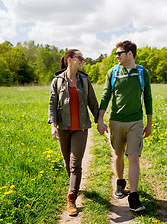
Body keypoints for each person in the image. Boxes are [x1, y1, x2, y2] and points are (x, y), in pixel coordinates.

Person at [97, 40, 153, 212]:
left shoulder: (143, 72)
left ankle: (134, 197)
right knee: (119, 154)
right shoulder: (113, 72)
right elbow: (106, 95)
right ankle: (120, 182)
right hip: (116, 120)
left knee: (133, 156)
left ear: (130, 54)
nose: (117, 56)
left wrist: (149, 123)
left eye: (119, 53)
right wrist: (100, 119)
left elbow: (148, 98)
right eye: (116, 54)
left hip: (136, 121)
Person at [48, 49, 99, 216]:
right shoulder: (56, 81)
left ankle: (71, 198)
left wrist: (101, 121)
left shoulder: (84, 80)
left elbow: (93, 103)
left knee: (75, 163)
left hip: (80, 128)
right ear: (69, 59)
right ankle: (75, 186)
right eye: (80, 58)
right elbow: (52, 105)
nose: (83, 60)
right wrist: (53, 125)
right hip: (63, 128)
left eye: (83, 58)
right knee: (66, 162)